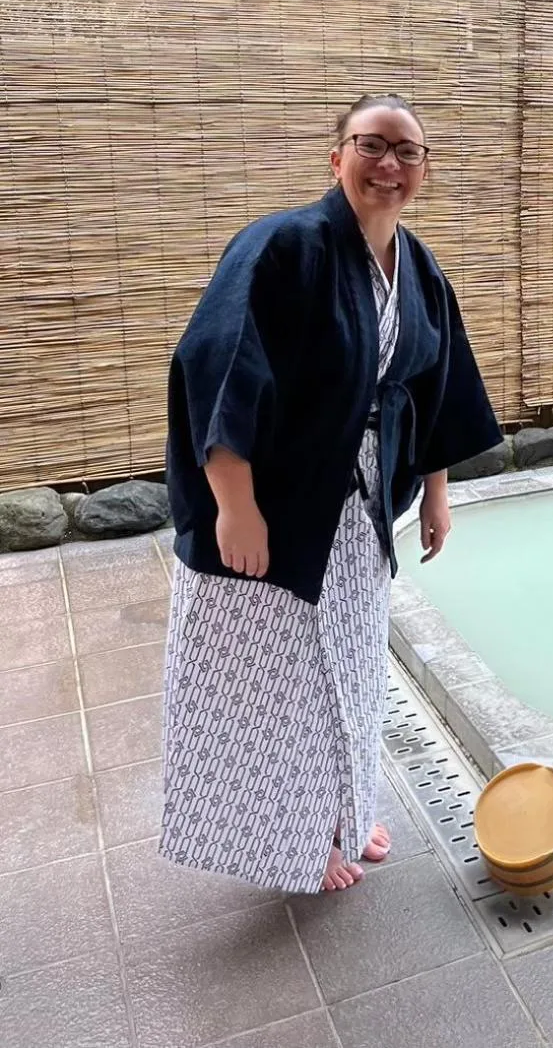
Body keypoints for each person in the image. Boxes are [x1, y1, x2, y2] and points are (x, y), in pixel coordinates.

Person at [160, 93, 501, 892]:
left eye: (407, 151)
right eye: (372, 145)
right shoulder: (283, 245)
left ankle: (343, 811)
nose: (390, 165)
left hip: (356, 511)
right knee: (270, 683)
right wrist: (234, 506)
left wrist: (438, 494)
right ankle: (290, 836)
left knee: (350, 668)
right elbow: (218, 367)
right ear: (336, 155)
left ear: (424, 168)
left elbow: (433, 387)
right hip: (273, 509)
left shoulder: (415, 265)